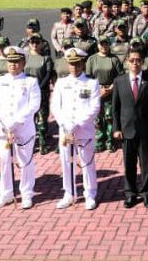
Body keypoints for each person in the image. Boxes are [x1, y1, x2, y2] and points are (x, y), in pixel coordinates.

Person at [0, 46, 41, 210]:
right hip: (3, 129)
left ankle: (26, 193)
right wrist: (5, 122)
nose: (13, 65)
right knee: (4, 162)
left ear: (23, 62)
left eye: (16, 61)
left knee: (25, 162)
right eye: (10, 61)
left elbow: (33, 105)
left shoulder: (31, 82)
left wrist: (15, 123)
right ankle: (6, 194)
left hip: (23, 128)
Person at [51, 48, 100, 210]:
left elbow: (94, 108)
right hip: (65, 131)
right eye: (71, 64)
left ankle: (90, 193)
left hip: (83, 130)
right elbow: (55, 107)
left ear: (83, 63)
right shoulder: (61, 83)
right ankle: (69, 193)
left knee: (87, 162)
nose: (74, 67)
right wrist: (65, 125)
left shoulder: (91, 83)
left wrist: (75, 124)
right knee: (66, 162)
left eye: (77, 63)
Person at [113, 48, 148, 209]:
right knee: (129, 164)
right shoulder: (119, 81)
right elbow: (115, 108)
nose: (135, 63)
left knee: (146, 164)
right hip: (127, 130)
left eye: (138, 60)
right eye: (132, 60)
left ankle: (146, 193)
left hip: (145, 129)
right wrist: (116, 128)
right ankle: (130, 194)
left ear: (143, 62)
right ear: (127, 61)